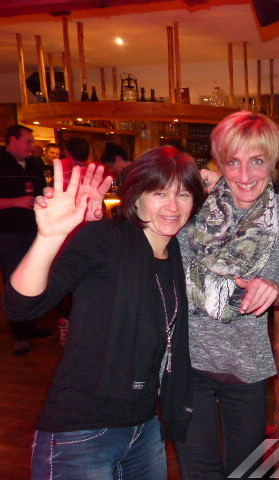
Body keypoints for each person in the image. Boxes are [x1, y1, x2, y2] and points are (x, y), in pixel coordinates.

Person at [3, 146, 206, 479]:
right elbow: (21, 305)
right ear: (136, 198)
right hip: (80, 431)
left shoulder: (177, 255)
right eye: (159, 193)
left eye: (183, 194)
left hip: (144, 428)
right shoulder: (105, 239)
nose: (173, 206)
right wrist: (50, 237)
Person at [174, 111, 279, 479]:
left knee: (246, 473)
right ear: (220, 163)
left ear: (272, 162)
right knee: (199, 473)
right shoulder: (192, 204)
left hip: (246, 367)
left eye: (256, 161)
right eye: (233, 162)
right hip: (187, 363)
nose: (245, 175)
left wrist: (273, 289)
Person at [0, 124, 49, 355]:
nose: (32, 146)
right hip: (7, 233)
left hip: (33, 231)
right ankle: (19, 334)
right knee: (14, 282)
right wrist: (16, 202)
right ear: (12, 140)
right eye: (28, 141)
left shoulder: (34, 164)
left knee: (34, 279)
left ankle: (29, 326)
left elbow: (43, 192)